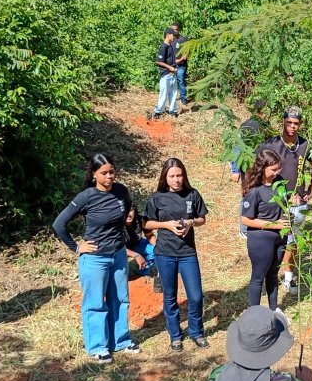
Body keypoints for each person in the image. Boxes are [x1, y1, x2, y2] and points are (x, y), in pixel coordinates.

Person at [52, 154, 139, 364]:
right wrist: (77, 247)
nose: (109, 177)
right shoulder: (86, 197)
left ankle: (121, 340)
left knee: (120, 299)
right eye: (104, 173)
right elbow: (58, 224)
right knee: (95, 303)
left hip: (118, 255)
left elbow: (126, 210)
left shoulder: (121, 191)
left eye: (112, 172)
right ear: (94, 174)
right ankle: (98, 347)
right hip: (95, 259)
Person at [143, 158, 209, 352]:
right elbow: (146, 224)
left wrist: (190, 223)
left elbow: (202, 218)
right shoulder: (157, 198)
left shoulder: (192, 194)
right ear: (165, 177)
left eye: (179, 175)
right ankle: (175, 335)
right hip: (165, 253)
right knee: (170, 296)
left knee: (196, 296)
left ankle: (196, 332)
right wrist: (166, 225)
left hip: (188, 252)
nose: (176, 180)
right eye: (172, 176)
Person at [256, 106, 312, 294]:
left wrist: (311, 190)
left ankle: (289, 277)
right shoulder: (271, 144)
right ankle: (265, 277)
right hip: (275, 202)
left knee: (293, 242)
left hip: (298, 202)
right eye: (289, 122)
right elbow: (257, 167)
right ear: (283, 121)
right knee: (271, 241)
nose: (293, 126)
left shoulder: (305, 145)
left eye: (296, 123)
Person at [240, 150, 288, 314]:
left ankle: (274, 308)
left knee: (274, 273)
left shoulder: (279, 182)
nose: (277, 172)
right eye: (273, 169)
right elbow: (246, 220)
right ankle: (254, 312)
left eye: (278, 169)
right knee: (259, 276)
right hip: (261, 239)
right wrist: (273, 225)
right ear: (263, 168)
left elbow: (283, 204)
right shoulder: (255, 190)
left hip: (280, 237)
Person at [230, 99, 269, 238]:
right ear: (262, 111)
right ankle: (244, 229)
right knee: (248, 195)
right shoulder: (248, 125)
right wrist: (235, 170)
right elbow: (237, 147)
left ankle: (253, 225)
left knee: (258, 195)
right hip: (248, 166)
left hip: (260, 166)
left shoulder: (265, 126)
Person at [150, 28, 180, 120]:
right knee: (164, 93)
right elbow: (159, 61)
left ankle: (173, 111)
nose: (174, 36)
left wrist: (175, 68)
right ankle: (158, 112)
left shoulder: (171, 46)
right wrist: (170, 67)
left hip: (173, 73)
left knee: (174, 93)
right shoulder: (163, 47)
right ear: (168, 35)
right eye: (172, 35)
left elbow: (172, 60)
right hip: (166, 74)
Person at [123, 206, 156, 281]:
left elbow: (150, 236)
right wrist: (136, 255)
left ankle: (143, 271)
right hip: (121, 249)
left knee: (153, 250)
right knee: (123, 274)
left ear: (135, 211)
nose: (129, 214)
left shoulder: (140, 220)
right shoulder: (116, 223)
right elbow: (116, 247)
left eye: (131, 210)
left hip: (136, 244)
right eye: (126, 211)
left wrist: (159, 248)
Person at [171, 22, 190, 109]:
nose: (175, 31)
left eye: (176, 29)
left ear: (179, 29)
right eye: (173, 29)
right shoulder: (170, 39)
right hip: (171, 64)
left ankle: (183, 99)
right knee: (171, 82)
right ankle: (171, 98)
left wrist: (182, 59)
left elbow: (187, 52)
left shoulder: (183, 40)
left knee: (181, 82)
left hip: (181, 65)